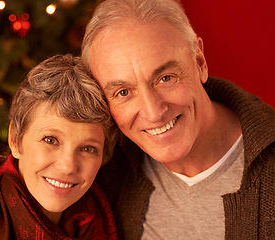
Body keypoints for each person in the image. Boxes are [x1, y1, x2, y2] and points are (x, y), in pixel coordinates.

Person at [81, 0, 275, 239]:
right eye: (123, 92)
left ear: (200, 62)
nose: (153, 112)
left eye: (165, 78)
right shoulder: (103, 171)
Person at [0, 54, 118, 239]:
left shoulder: (113, 219)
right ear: (15, 139)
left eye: (88, 149)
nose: (67, 166)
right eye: (50, 140)